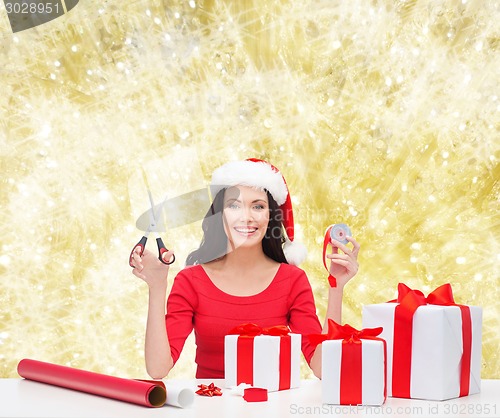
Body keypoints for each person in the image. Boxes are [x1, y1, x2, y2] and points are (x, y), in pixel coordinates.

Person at [130, 158, 360, 379]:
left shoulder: (292, 280)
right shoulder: (191, 280)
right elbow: (158, 369)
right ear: (220, 216)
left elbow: (323, 368)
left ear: (270, 216)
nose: (247, 217)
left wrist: (336, 288)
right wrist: (157, 285)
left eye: (258, 206)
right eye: (234, 206)